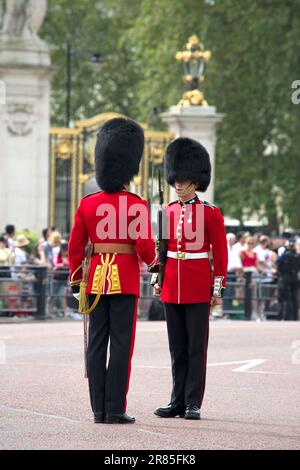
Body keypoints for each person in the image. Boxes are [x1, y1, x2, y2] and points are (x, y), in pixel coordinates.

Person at [68, 118, 156, 424]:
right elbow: (145, 249)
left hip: (94, 280)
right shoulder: (136, 205)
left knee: (96, 345)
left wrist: (76, 280)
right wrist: (156, 261)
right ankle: (115, 408)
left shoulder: (87, 204)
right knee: (121, 346)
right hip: (126, 281)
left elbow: (75, 248)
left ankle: (98, 410)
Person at [153, 137, 228, 420]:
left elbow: (220, 255)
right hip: (172, 283)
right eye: (176, 178)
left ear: (196, 181)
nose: (178, 183)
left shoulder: (211, 214)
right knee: (177, 348)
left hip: (198, 284)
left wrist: (217, 288)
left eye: (184, 179)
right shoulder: (164, 212)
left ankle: (193, 402)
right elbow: (160, 251)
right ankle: (176, 400)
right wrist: (156, 278)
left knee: (197, 347)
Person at [277, 239, 300, 321]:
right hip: (295, 278)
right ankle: (295, 317)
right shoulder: (297, 255)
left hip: (285, 277)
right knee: (294, 297)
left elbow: (278, 264)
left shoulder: (285, 255)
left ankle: (286, 316)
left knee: (286, 298)